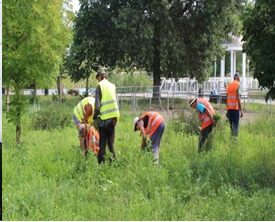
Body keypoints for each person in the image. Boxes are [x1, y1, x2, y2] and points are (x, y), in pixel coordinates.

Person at [93, 71, 120, 164]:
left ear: (100, 76)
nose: (98, 80)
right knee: (111, 144)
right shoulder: (113, 86)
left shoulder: (99, 86)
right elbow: (116, 103)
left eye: (98, 78)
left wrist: (94, 117)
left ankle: (101, 164)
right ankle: (113, 163)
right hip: (113, 120)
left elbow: (97, 106)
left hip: (103, 120)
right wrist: (115, 118)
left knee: (102, 144)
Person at [226, 72, 243, 138]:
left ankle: (231, 139)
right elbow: (238, 98)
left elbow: (227, 98)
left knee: (231, 126)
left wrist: (227, 109)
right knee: (236, 125)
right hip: (235, 109)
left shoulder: (229, 86)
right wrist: (241, 110)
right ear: (238, 78)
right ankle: (235, 141)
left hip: (229, 109)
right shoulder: (238, 85)